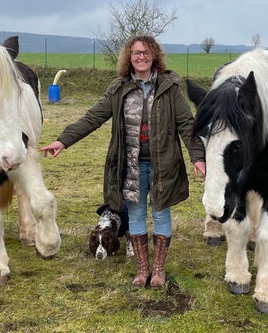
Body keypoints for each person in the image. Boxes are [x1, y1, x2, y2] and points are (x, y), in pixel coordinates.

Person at [40, 35, 206, 288]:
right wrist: (63, 140)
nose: (141, 57)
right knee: (137, 213)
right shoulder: (119, 89)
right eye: (136, 53)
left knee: (161, 214)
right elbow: (92, 117)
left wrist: (198, 157)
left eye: (146, 52)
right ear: (129, 57)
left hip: (165, 165)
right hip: (130, 165)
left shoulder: (170, 87)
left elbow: (186, 124)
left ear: (155, 57)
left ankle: (158, 271)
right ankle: (142, 270)